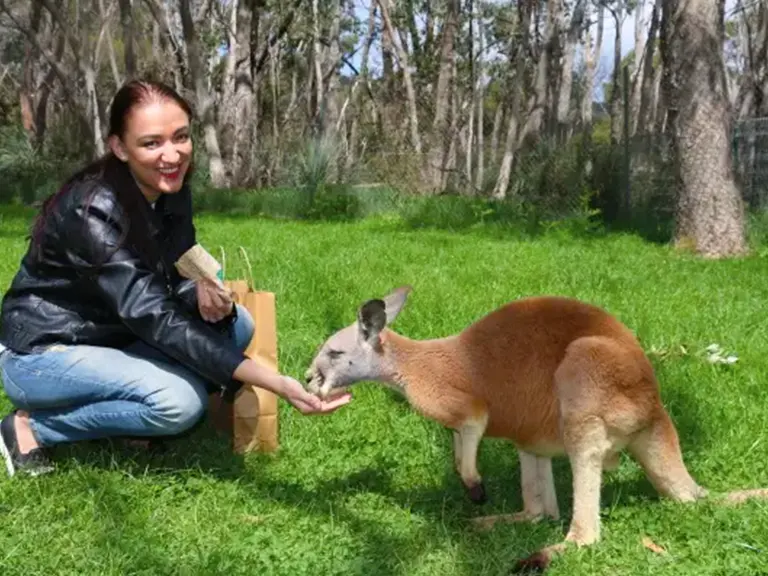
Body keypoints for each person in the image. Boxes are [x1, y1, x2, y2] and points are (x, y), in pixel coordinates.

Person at [0, 79, 351, 477]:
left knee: (239, 325)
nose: (173, 154)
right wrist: (275, 382)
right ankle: (32, 427)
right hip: (46, 351)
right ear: (119, 147)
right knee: (179, 404)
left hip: (114, 332)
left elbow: (172, 266)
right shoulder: (91, 210)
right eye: (151, 143)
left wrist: (198, 288)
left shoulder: (170, 188)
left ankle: (124, 421)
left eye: (181, 137)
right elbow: (152, 314)